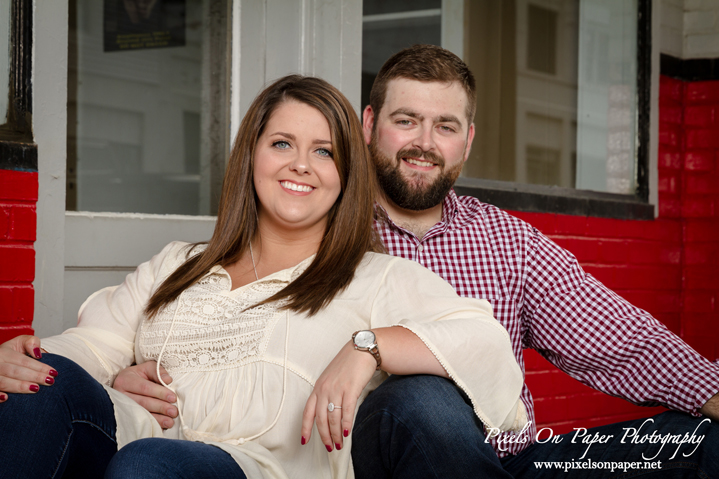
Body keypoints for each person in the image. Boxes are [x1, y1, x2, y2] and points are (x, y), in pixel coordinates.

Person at [113, 45, 719, 478]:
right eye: (406, 121)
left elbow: (623, 341)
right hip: (375, 460)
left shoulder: (508, 243)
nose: (425, 143)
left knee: (702, 446)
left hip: (508, 459)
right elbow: (227, 308)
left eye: (445, 126)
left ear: (467, 140)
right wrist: (129, 371)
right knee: (420, 400)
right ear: (370, 126)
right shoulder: (318, 225)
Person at [0, 74, 525, 479]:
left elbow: (482, 339)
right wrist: (27, 362)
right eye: (282, 144)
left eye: (324, 152)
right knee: (41, 387)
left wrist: (368, 347)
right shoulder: (178, 264)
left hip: (257, 470)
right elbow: (91, 344)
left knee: (151, 467)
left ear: (345, 177)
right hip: (136, 440)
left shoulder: (376, 277)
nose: (301, 164)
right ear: (251, 156)